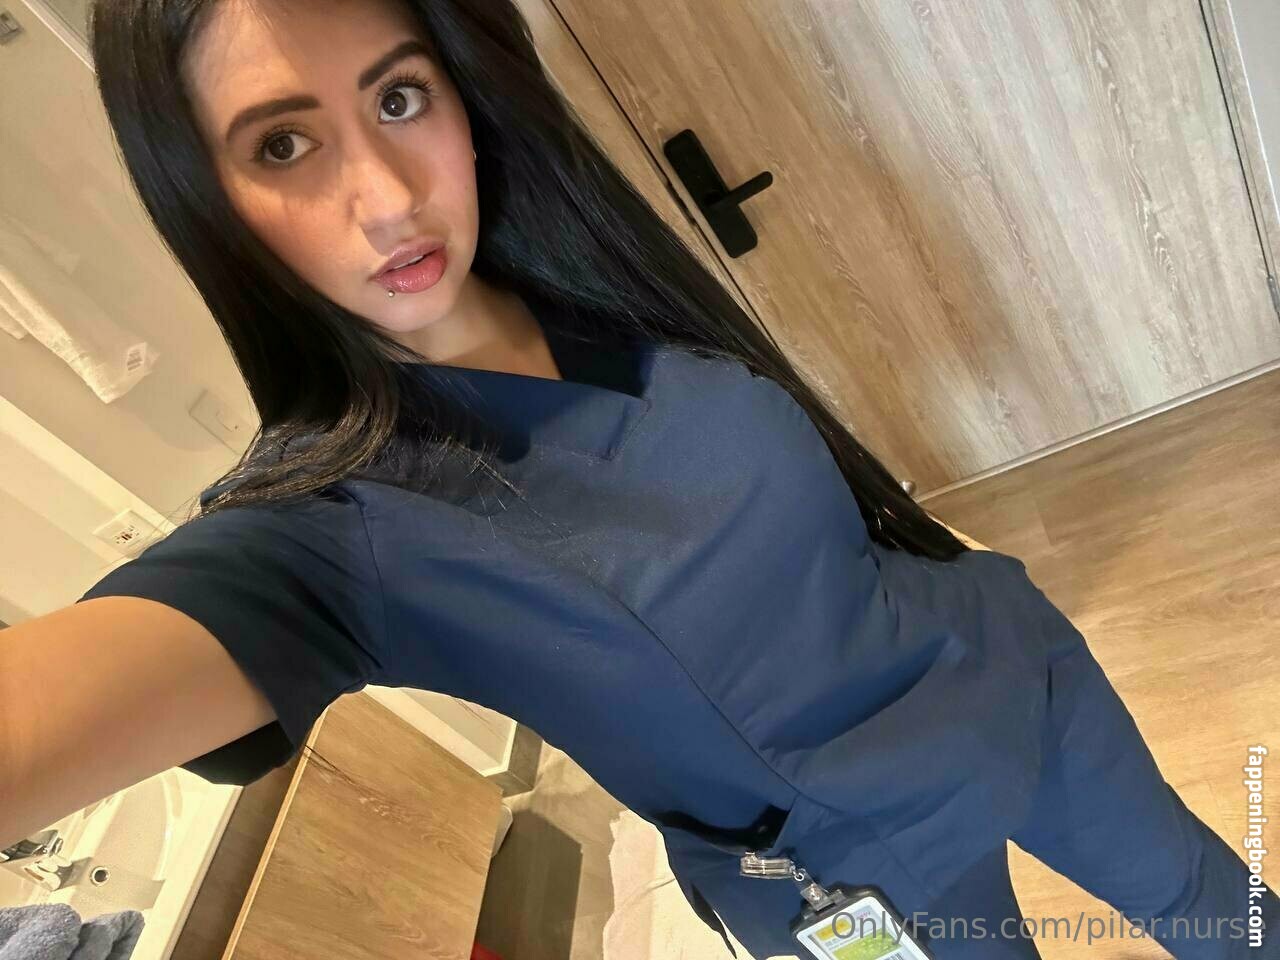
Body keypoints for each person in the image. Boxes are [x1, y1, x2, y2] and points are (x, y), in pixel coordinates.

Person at [2, 0, 1275, 957]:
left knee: (1215, 911)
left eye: (398, 99)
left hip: (1003, 680)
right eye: (283, 144)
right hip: (850, 883)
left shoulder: (599, 286)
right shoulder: (331, 532)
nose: (385, 197)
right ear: (206, 198)